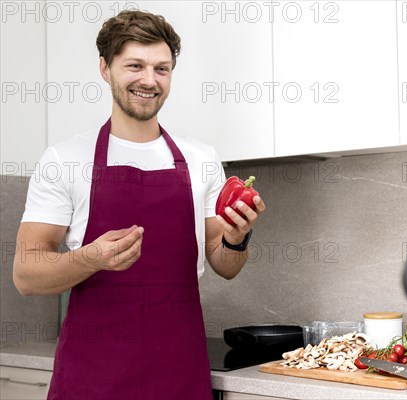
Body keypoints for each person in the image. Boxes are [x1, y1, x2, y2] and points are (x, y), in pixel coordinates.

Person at [12, 10, 265, 399]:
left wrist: (236, 238)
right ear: (105, 68)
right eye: (135, 65)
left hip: (179, 372)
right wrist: (91, 258)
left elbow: (225, 266)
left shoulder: (201, 159)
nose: (149, 80)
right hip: (92, 378)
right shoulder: (64, 159)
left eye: (162, 69)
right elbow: (26, 275)